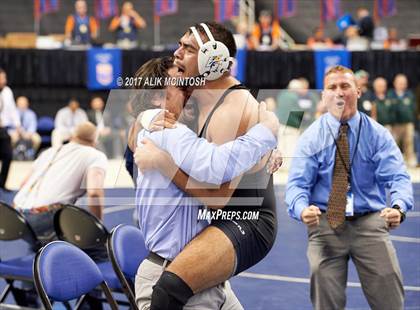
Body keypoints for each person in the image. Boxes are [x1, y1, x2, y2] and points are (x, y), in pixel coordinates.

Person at [135, 22, 279, 310]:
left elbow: (219, 199)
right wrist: (145, 118)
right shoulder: (200, 102)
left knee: (170, 287)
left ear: (212, 57)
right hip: (229, 214)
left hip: (245, 218)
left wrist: (164, 163)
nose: (177, 54)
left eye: (187, 49)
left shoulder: (228, 108)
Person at [285, 65, 413, 310]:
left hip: (370, 223)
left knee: (391, 302)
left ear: (358, 91)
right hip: (325, 225)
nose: (339, 92)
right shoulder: (312, 137)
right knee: (326, 303)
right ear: (324, 95)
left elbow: (398, 177)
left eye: (345, 86)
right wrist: (301, 209)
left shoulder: (377, 134)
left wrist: (399, 207)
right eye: (332, 87)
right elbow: (297, 185)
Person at [389, 74, 417, 167]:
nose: (402, 85)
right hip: (395, 124)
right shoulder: (390, 94)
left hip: (408, 123)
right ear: (395, 83)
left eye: (404, 83)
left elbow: (413, 109)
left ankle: (410, 161)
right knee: (394, 144)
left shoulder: (410, 94)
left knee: (409, 143)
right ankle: (394, 163)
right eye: (400, 83)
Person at [0, 68, 20, 192]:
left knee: (8, 155)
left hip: (3, 129)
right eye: (1, 79)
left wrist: (18, 125)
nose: (4, 81)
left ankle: (2, 184)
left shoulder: (7, 91)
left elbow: (12, 110)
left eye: (4, 78)